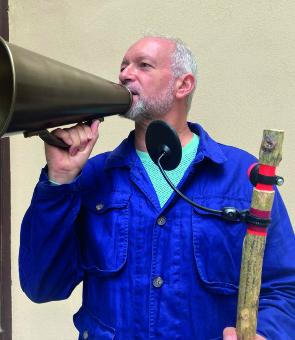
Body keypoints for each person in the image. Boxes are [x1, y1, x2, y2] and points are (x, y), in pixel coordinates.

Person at [19, 35, 295, 340]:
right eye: (123, 66)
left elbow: (283, 287)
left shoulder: (242, 176)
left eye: (143, 65)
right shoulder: (93, 176)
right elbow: (42, 286)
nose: (125, 74)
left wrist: (267, 334)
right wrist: (59, 179)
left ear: (183, 85)